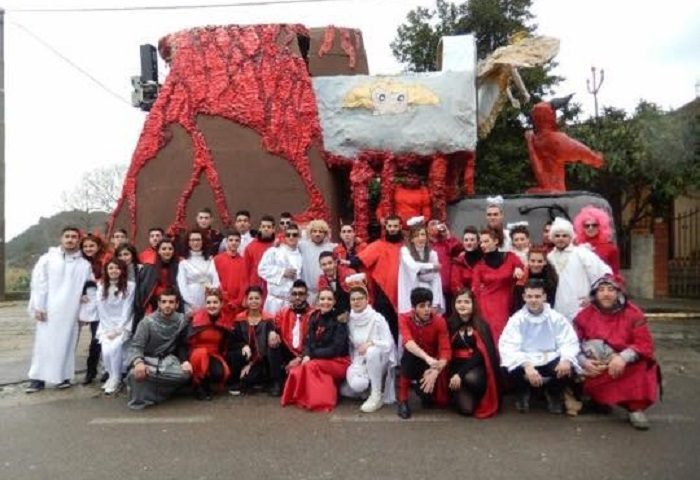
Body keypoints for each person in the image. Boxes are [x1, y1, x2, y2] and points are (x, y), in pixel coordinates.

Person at [574, 275, 660, 430]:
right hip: (597, 361)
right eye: (601, 290)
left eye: (610, 289)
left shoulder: (634, 314)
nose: (606, 294)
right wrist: (583, 361)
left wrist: (622, 357)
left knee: (643, 365)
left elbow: (645, 344)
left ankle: (635, 408)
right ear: (595, 293)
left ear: (618, 292)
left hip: (625, 362)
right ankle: (597, 400)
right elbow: (574, 343)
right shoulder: (584, 315)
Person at [25, 227, 93, 393]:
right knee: (43, 344)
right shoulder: (47, 259)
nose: (70, 240)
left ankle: (62, 377)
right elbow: (38, 283)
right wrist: (39, 306)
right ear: (61, 238)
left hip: (70, 312)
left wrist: (84, 311)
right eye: (67, 236)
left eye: (74, 237)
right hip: (49, 310)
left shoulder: (84, 264)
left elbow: (89, 288)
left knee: (67, 344)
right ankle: (37, 379)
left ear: (79, 240)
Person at [499, 279, 580, 414]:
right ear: (524, 297)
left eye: (537, 296)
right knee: (509, 365)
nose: (533, 300)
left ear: (544, 297)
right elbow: (508, 346)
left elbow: (569, 341)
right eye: (530, 296)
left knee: (566, 366)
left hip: (549, 357)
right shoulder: (517, 320)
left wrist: (566, 359)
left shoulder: (556, 318)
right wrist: (526, 365)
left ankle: (553, 393)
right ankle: (522, 392)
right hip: (526, 359)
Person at [281, 288, 350, 412]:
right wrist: (305, 355)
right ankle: (299, 398)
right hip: (318, 358)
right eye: (322, 299)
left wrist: (310, 355)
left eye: (329, 299)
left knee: (310, 366)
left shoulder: (339, 319)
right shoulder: (314, 317)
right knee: (295, 370)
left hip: (339, 361)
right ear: (318, 301)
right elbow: (308, 341)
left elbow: (336, 349)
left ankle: (320, 401)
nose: (326, 302)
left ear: (334, 301)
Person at [126, 289, 192, 409]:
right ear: (159, 304)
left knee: (185, 375)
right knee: (135, 374)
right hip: (147, 360)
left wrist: (185, 361)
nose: (167, 305)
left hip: (168, 361)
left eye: (171, 302)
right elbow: (136, 346)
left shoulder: (182, 321)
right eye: (164, 301)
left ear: (177, 305)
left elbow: (184, 344)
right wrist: (139, 363)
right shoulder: (147, 322)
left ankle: (157, 394)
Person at [396, 287, 451, 419]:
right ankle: (403, 400)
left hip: (433, 362)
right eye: (422, 306)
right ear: (414, 308)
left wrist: (436, 370)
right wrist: (427, 358)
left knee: (429, 398)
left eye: (429, 305)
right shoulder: (404, 318)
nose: (427, 309)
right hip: (416, 358)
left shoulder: (439, 321)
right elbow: (408, 342)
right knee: (408, 355)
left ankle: (421, 390)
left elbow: (446, 350)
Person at [341, 286, 397, 413]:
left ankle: (376, 394)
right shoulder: (349, 320)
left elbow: (389, 343)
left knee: (372, 351)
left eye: (360, 298)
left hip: (379, 358)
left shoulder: (377, 318)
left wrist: (371, 343)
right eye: (353, 299)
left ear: (367, 300)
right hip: (359, 361)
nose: (356, 302)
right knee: (355, 386)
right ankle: (368, 387)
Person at [446, 289, 500, 418]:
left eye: (466, 302)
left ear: (473, 304)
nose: (462, 305)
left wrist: (460, 374)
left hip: (475, 368)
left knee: (471, 378)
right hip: (455, 368)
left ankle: (479, 394)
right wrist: (454, 374)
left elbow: (482, 354)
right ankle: (460, 393)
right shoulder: (449, 324)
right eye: (459, 302)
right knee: (466, 410)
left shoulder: (482, 325)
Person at [547, 217, 612, 322]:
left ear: (571, 237)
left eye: (564, 235)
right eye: (557, 235)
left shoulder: (582, 253)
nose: (560, 238)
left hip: (581, 307)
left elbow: (603, 274)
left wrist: (593, 296)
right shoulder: (549, 257)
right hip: (558, 308)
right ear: (552, 238)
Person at [353, 214, 404, 341]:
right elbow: (358, 260)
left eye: (395, 226)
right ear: (385, 227)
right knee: (385, 327)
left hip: (403, 292)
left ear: (400, 227)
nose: (392, 229)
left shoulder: (406, 246)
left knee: (402, 328)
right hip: (383, 293)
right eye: (390, 226)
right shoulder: (378, 245)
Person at [471, 227, 524, 344]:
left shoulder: (510, 257)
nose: (483, 245)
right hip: (487, 304)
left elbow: (521, 266)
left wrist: (518, 269)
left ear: (495, 241)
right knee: (493, 335)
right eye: (481, 242)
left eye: (486, 241)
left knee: (507, 334)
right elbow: (475, 289)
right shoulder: (479, 266)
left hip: (507, 301)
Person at [228, 286, 283, 396]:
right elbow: (232, 341)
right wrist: (243, 345)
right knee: (237, 353)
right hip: (246, 357)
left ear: (262, 300)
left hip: (262, 359)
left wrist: (273, 333)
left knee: (274, 345)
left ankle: (275, 381)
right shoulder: (239, 319)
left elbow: (267, 345)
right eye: (251, 298)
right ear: (246, 300)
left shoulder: (268, 319)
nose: (254, 301)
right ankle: (238, 378)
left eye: (257, 298)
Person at [95, 259, 136, 394]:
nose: (114, 271)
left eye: (117, 268)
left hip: (124, 324)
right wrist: (108, 330)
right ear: (106, 271)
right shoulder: (101, 287)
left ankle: (117, 378)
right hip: (106, 325)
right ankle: (112, 375)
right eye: (110, 268)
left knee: (115, 348)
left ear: (122, 270)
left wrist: (119, 329)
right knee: (106, 352)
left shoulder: (130, 286)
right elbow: (102, 310)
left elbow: (127, 308)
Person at [187, 289, 234, 401]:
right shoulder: (195, 319)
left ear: (221, 304)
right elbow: (184, 342)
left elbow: (229, 341)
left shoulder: (225, 321)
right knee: (201, 355)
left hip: (214, 354)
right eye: (208, 302)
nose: (211, 305)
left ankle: (206, 382)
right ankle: (198, 385)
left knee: (219, 373)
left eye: (215, 302)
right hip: (196, 354)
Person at [398, 217, 444, 315]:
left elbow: (434, 277)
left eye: (423, 234)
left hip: (427, 294)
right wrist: (431, 266)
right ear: (412, 239)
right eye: (416, 235)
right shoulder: (405, 251)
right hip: (410, 293)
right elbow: (413, 266)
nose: (421, 238)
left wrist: (435, 303)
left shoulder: (432, 253)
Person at [79, 233, 108, 385]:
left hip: (102, 303)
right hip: (86, 304)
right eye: (85, 246)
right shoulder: (79, 262)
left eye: (92, 246)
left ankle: (101, 371)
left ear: (98, 246)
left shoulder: (105, 260)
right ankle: (90, 371)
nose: (89, 249)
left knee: (99, 338)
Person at [258, 223, 303, 314]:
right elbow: (261, 269)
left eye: (294, 235)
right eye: (288, 235)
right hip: (275, 302)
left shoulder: (302, 254)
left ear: (299, 237)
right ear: (284, 237)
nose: (291, 237)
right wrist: (282, 272)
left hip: (293, 302)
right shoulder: (274, 251)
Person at [273, 280, 315, 375]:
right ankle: (276, 381)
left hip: (305, 353)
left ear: (306, 296)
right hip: (288, 351)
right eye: (294, 294)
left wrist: (300, 357)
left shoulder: (314, 314)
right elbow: (274, 325)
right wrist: (273, 332)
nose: (297, 297)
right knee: (272, 345)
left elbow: (314, 342)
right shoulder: (283, 312)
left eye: (301, 294)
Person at [177, 229, 220, 315]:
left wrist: (213, 296)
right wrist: (190, 303)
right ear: (188, 243)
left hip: (210, 300)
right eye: (192, 240)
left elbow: (216, 279)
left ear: (202, 241)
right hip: (192, 300)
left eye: (198, 240)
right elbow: (182, 286)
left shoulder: (210, 260)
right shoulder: (183, 263)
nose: (195, 243)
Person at [573, 206, 621, 275]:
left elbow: (615, 273)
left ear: (601, 226)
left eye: (594, 225)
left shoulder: (610, 249)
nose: (590, 228)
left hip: (603, 284)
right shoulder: (577, 248)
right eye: (587, 226)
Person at [298, 219, 336, 303]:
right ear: (310, 233)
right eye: (314, 231)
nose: (317, 234)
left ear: (325, 233)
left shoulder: (331, 247)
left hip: (326, 293)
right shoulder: (302, 246)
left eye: (320, 231)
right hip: (308, 292)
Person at [427, 219, 461, 311]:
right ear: (427, 229)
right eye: (433, 224)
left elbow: (460, 250)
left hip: (447, 290)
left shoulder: (447, 243)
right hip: (430, 289)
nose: (437, 226)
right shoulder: (425, 245)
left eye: (439, 223)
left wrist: (448, 235)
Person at [214, 230, 250, 317]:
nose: (234, 243)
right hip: (221, 301)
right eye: (231, 240)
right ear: (226, 242)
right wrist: (223, 297)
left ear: (240, 242)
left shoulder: (243, 261)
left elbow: (245, 283)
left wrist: (238, 301)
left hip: (238, 305)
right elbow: (215, 280)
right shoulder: (217, 260)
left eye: (237, 240)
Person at [513, 246, 558, 312]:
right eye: (532, 261)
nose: (536, 264)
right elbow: (518, 302)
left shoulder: (551, 277)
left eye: (540, 261)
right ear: (528, 261)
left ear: (545, 262)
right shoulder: (521, 277)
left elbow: (551, 301)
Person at [244, 215, 276, 291]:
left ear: (273, 229)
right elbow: (246, 271)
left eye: (269, 227)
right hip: (255, 288)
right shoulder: (250, 247)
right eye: (263, 226)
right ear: (260, 228)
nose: (266, 229)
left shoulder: (278, 246)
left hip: (273, 287)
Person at [450, 226, 481, 294]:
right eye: (466, 240)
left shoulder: (484, 260)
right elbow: (455, 285)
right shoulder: (458, 262)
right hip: (465, 300)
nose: (469, 243)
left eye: (472, 240)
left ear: (478, 242)